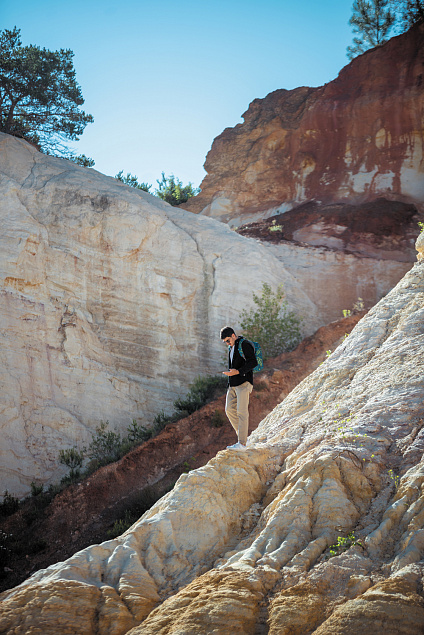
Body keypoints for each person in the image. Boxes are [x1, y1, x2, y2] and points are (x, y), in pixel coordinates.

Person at [220, 326, 257, 451]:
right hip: (232, 385)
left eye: (228, 340)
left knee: (242, 412)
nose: (227, 343)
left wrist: (238, 372)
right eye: (225, 341)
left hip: (244, 383)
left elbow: (253, 362)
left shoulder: (244, 344)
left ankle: (242, 443)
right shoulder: (231, 348)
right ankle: (244, 437)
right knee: (229, 410)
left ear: (233, 335)